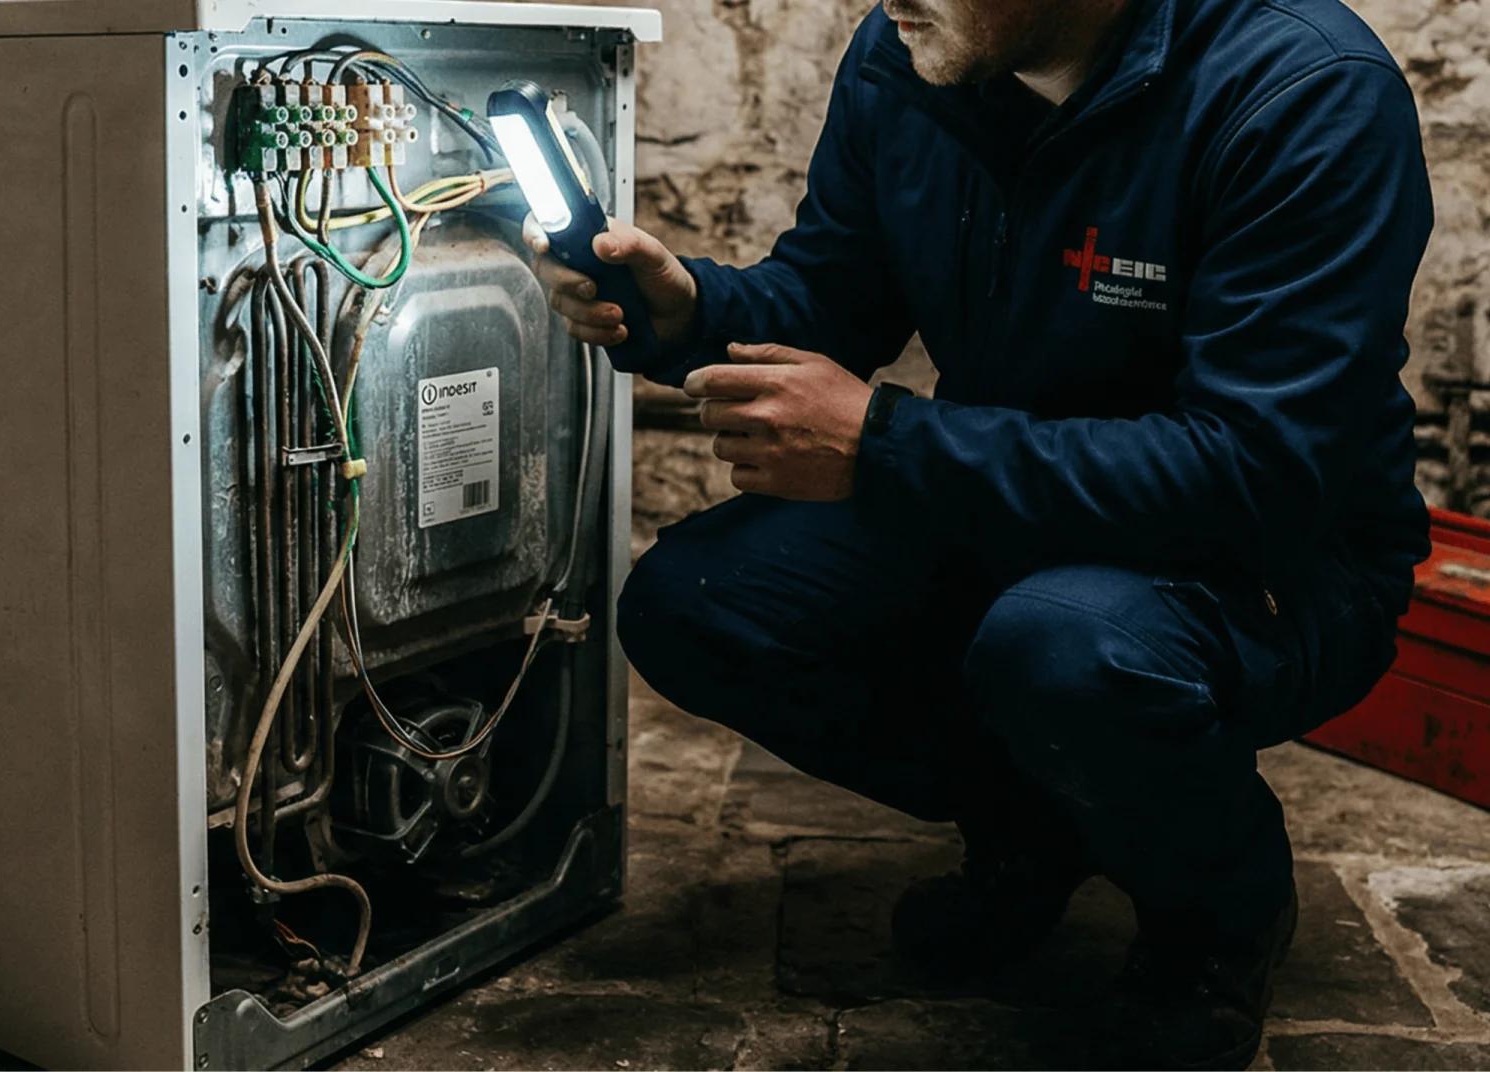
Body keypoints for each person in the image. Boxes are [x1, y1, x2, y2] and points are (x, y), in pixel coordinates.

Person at [526, 0, 1431, 1063]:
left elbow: (1256, 474)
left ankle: (1219, 904)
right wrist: (687, 311)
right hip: (1004, 502)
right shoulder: (911, 49)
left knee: (1063, 648)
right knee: (698, 604)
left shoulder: (1309, 91)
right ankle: (1039, 825)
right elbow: (832, 291)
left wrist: (888, 449)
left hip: (1270, 559)